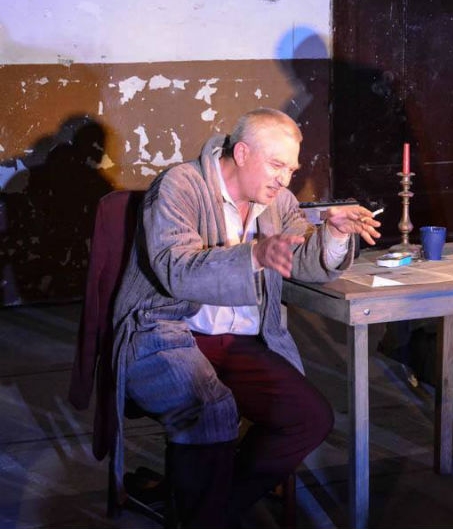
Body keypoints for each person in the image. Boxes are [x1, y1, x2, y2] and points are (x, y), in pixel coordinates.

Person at [111, 108, 381, 528]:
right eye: (276, 165)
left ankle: (208, 510)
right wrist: (253, 255)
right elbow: (176, 270)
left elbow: (302, 259)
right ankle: (203, 508)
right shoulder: (181, 185)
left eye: (291, 170)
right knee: (212, 410)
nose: (285, 180)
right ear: (241, 153)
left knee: (309, 417)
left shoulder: (277, 201)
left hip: (238, 342)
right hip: (165, 331)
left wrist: (334, 234)